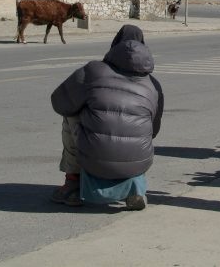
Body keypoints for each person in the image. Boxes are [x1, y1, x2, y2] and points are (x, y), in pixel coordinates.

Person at [50, 25, 164, 210]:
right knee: (137, 132)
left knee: (70, 115)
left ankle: (72, 184)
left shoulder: (93, 71)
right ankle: (135, 189)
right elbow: (154, 130)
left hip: (94, 157)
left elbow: (59, 102)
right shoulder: (153, 85)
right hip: (138, 161)